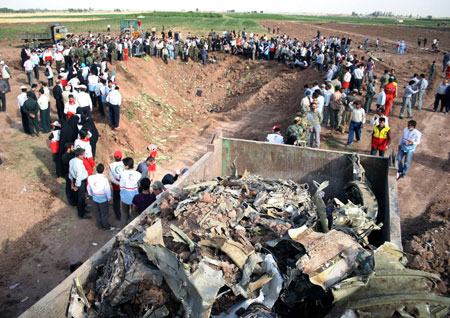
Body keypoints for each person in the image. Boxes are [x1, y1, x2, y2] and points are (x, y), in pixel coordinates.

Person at [87, 164, 115, 231]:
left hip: (95, 198)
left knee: (97, 213)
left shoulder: (91, 178)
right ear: (103, 170)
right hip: (103, 199)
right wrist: (109, 198)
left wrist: (91, 194)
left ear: (96, 169)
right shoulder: (104, 180)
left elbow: (88, 187)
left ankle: (99, 225)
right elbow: (107, 190)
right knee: (104, 214)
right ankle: (106, 227)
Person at [69, 148, 91, 219]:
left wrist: (72, 182)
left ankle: (83, 210)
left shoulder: (72, 161)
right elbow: (79, 176)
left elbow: (70, 172)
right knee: (81, 198)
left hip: (75, 180)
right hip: (80, 182)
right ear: (80, 155)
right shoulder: (79, 165)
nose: (84, 155)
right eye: (83, 154)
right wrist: (77, 186)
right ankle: (81, 214)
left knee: (80, 197)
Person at [119, 157, 141, 228]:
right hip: (135, 198)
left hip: (125, 197)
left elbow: (121, 186)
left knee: (124, 213)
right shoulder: (137, 174)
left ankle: (122, 228)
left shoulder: (122, 174)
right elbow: (139, 185)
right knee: (134, 214)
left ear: (126, 166)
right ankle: (132, 229)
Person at [109, 151, 124, 221]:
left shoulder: (111, 165)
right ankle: (126, 214)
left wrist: (118, 183)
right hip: (124, 185)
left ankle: (118, 215)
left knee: (116, 201)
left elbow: (111, 178)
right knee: (124, 200)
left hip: (116, 186)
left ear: (114, 157)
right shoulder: (124, 164)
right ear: (121, 157)